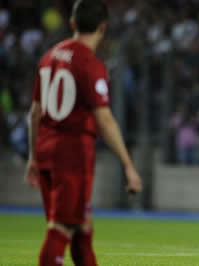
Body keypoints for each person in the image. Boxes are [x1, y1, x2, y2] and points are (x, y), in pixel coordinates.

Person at [23, 1, 142, 265]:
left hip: (45, 150)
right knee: (62, 227)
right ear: (103, 27)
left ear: (72, 23)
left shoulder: (49, 57)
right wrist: (128, 164)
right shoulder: (90, 64)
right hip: (72, 154)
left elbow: (34, 112)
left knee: (82, 227)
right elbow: (105, 119)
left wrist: (33, 157)